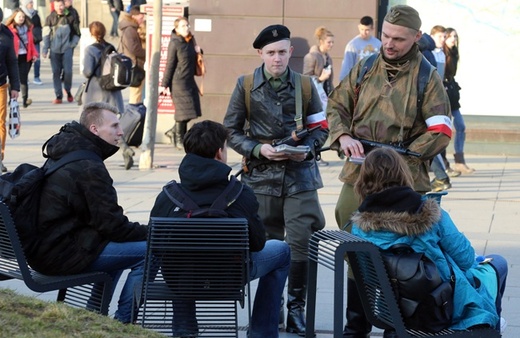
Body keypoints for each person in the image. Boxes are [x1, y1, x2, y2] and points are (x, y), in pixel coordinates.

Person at [326, 5, 452, 337]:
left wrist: (404, 157)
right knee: (351, 229)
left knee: (403, 251)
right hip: (360, 171)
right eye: (385, 36)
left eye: (398, 38)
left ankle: (398, 322)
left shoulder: (427, 76)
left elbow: (441, 129)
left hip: (405, 174)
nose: (389, 44)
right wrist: (343, 135)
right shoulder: (366, 65)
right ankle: (358, 321)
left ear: (417, 38)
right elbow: (337, 104)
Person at [223, 24, 329, 335]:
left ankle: (296, 309)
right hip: (261, 179)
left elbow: (321, 129)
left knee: (300, 246)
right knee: (267, 249)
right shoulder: (244, 85)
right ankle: (270, 310)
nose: (277, 59)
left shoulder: (306, 87)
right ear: (260, 54)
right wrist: (257, 148)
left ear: (290, 52)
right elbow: (230, 130)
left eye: (282, 52)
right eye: (270, 53)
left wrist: (307, 150)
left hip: (300, 179)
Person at [150, 120, 291, 338]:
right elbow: (257, 244)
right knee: (282, 251)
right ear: (219, 153)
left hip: (182, 280)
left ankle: (184, 332)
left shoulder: (168, 197)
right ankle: (261, 333)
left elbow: (155, 246)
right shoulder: (241, 194)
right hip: (229, 278)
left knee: (177, 261)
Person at [351, 147, 507, 336]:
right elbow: (465, 259)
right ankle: (489, 329)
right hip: (440, 304)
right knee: (498, 263)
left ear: (364, 178)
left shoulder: (360, 225)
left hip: (392, 310)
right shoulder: (429, 211)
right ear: (403, 174)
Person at [26, 102, 150, 324]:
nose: (120, 132)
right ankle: (124, 323)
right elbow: (114, 226)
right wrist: (151, 232)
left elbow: (105, 223)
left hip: (46, 247)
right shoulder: (88, 166)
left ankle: (94, 314)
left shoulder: (67, 150)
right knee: (149, 251)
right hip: (58, 255)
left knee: (115, 245)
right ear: (94, 129)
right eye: (114, 126)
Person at [81, 21, 134, 170]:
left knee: (91, 125)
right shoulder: (110, 47)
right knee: (112, 124)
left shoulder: (90, 50)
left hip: (96, 91)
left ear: (92, 33)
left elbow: (87, 72)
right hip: (112, 91)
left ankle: (92, 157)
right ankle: (125, 149)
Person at [160, 16, 202, 151]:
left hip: (189, 80)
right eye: (183, 26)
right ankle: (179, 138)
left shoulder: (189, 41)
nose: (187, 28)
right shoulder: (175, 43)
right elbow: (170, 64)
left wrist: (199, 52)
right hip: (178, 82)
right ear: (177, 29)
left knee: (191, 111)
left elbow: (192, 58)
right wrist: (164, 84)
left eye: (187, 25)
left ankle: (174, 132)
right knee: (182, 113)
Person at [303, 26, 334, 167]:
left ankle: (317, 154)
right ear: (321, 41)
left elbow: (330, 81)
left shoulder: (328, 57)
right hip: (314, 100)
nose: (331, 45)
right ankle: (314, 155)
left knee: (324, 129)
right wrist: (320, 78)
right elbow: (306, 77)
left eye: (332, 42)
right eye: (329, 42)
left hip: (325, 97)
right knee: (317, 128)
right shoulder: (311, 56)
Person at [444, 27, 474, 174]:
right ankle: (441, 163)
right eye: (450, 37)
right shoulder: (440, 54)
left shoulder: (454, 53)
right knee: (444, 129)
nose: (453, 39)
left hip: (452, 94)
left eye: (455, 37)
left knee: (460, 126)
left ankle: (459, 161)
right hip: (443, 94)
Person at [41, 0, 81, 104]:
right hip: (54, 51)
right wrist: (45, 49)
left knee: (68, 71)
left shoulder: (71, 17)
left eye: (61, 5)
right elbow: (46, 35)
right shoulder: (50, 18)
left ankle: (67, 90)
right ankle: (58, 96)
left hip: (67, 50)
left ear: (64, 6)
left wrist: (71, 45)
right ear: (54, 6)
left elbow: (77, 33)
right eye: (57, 5)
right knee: (56, 72)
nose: (60, 7)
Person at [0, 7, 20, 173]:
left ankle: (0, 158)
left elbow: (12, 62)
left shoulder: (7, 36)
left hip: (1, 85)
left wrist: (16, 86)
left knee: (0, 123)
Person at [6, 8, 38, 109]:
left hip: (25, 56)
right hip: (13, 57)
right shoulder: (8, 29)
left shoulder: (28, 28)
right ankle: (12, 99)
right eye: (19, 16)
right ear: (14, 17)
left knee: (23, 78)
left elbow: (31, 43)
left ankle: (25, 100)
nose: (21, 18)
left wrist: (34, 54)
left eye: (23, 17)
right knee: (12, 78)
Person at [338, 16, 381, 81]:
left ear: (372, 29)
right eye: (362, 29)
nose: (364, 32)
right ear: (359, 27)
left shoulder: (378, 44)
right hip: (357, 81)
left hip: (373, 81)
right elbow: (346, 66)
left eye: (367, 30)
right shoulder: (352, 45)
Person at [118, 5, 146, 105]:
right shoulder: (130, 29)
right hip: (135, 65)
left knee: (137, 94)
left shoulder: (131, 28)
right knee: (135, 95)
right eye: (141, 17)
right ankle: (134, 115)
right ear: (134, 16)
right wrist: (147, 53)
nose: (143, 19)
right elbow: (134, 48)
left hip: (135, 64)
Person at [20, 0, 43, 86]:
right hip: (25, 41)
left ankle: (37, 77)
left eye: (32, 2)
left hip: (35, 40)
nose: (32, 4)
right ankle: (24, 77)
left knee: (37, 59)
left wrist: (38, 35)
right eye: (30, 2)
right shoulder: (22, 14)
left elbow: (39, 26)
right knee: (26, 60)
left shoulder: (35, 14)